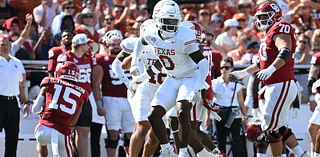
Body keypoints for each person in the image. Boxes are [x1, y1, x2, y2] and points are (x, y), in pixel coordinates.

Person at [129, 2, 209, 157]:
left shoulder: (184, 34)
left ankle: (183, 152)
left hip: (189, 77)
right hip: (172, 78)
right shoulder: (151, 31)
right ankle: (166, 150)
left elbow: (203, 62)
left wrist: (199, 85)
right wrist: (134, 63)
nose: (171, 25)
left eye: (174, 21)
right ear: (157, 20)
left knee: (182, 111)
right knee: (153, 116)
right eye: (167, 21)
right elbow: (141, 41)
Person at [229, 3, 298, 157]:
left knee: (270, 127)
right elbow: (261, 63)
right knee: (276, 127)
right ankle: (301, 154)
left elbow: (285, 51)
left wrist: (271, 69)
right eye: (258, 17)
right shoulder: (267, 34)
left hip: (281, 83)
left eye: (263, 16)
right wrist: (243, 73)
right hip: (274, 85)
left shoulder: (281, 26)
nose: (260, 20)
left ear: (275, 16)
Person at [32, 61, 89, 157]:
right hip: (62, 132)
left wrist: (43, 113)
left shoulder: (49, 82)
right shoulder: (82, 93)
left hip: (43, 128)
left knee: (41, 142)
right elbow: (73, 122)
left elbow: (35, 109)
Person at [92, 30, 134, 157]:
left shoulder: (131, 58)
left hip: (129, 99)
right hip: (111, 99)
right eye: (112, 44)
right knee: (113, 134)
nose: (116, 47)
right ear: (106, 45)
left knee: (130, 134)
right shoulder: (102, 60)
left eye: (118, 44)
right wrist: (99, 104)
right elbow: (96, 84)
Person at [57, 34, 94, 157]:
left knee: (84, 132)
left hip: (85, 99)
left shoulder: (87, 56)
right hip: (70, 98)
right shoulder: (65, 57)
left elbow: (96, 46)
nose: (89, 47)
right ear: (82, 46)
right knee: (68, 131)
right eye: (87, 44)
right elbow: (58, 77)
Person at [0, 34, 30, 157]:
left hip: (13, 103)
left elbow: (20, 86)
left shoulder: (17, 62)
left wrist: (26, 102)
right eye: (2, 44)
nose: (4, 47)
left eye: (7, 44)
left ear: (10, 46)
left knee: (13, 137)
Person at [211, 57, 247, 157]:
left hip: (234, 113)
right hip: (219, 113)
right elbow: (209, 102)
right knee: (220, 140)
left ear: (232, 69)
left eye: (226, 67)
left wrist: (245, 116)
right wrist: (208, 118)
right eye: (222, 67)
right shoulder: (215, 82)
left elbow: (241, 102)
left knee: (236, 140)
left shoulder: (236, 84)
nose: (224, 70)